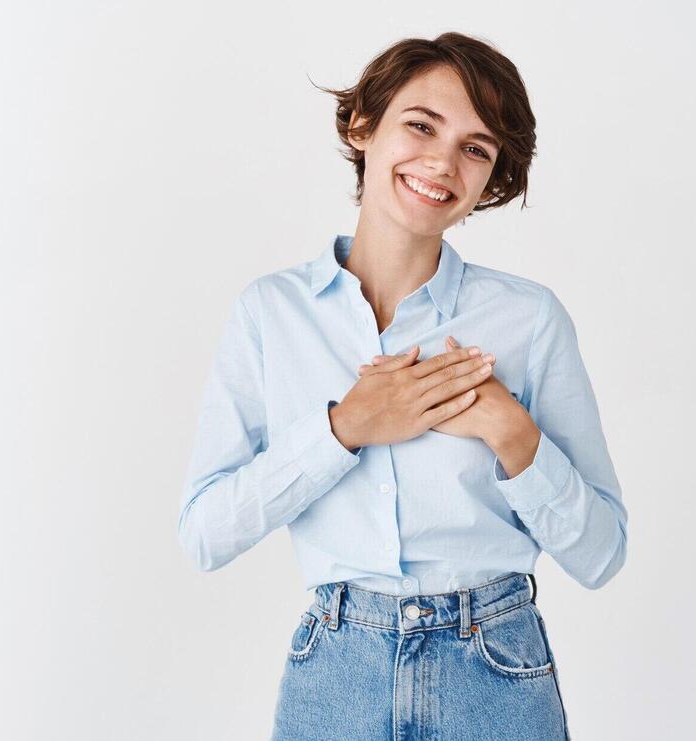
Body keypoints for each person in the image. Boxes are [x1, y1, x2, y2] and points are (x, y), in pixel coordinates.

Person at [177, 31, 628, 741]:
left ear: (491, 179)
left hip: (495, 664)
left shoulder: (528, 320)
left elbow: (602, 552)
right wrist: (342, 430)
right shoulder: (271, 313)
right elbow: (204, 531)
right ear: (363, 126)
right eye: (421, 125)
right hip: (336, 669)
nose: (442, 162)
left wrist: (511, 432)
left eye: (476, 148)